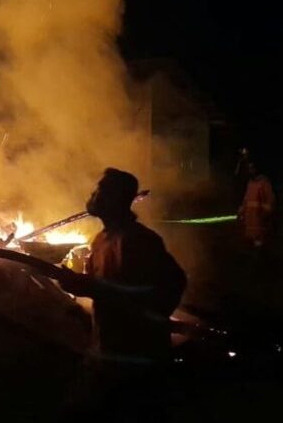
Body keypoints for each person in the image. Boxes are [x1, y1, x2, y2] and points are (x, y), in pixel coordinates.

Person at [60, 168, 186, 420]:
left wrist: (91, 288)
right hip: (105, 357)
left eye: (100, 190)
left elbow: (170, 286)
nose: (93, 194)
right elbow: (104, 289)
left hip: (136, 364)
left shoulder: (140, 241)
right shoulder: (100, 241)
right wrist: (80, 292)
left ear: (115, 198)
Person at [238, 162, 275, 248]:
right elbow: (246, 200)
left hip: (259, 223)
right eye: (249, 169)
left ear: (256, 169)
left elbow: (269, 201)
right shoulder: (250, 183)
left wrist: (265, 213)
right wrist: (241, 211)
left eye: (251, 168)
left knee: (260, 248)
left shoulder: (264, 183)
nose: (249, 171)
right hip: (250, 224)